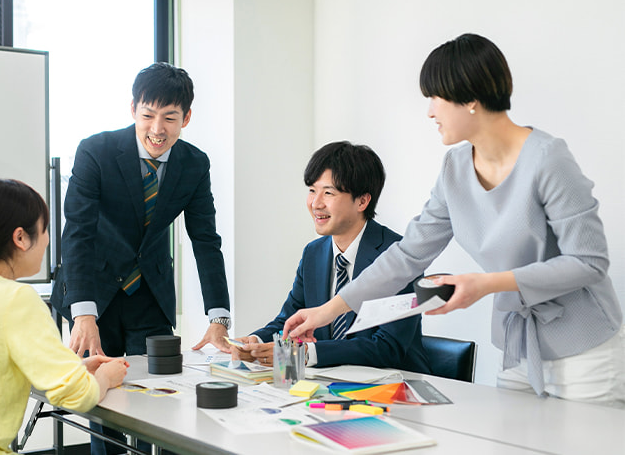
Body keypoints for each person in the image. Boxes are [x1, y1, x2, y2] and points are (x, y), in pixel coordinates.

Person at [284, 33, 625, 407]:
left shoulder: (547, 159)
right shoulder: (455, 169)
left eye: (435, 98)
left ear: (470, 99)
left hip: (584, 349)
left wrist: (484, 284)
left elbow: (589, 262)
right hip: (518, 347)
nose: (430, 111)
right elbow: (407, 255)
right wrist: (327, 311)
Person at [50, 62, 231, 454]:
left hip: (150, 293)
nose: (157, 129)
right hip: (94, 293)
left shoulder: (194, 164)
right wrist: (84, 313)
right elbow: (77, 233)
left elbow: (205, 240)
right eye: (148, 115)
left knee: (164, 399)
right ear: (133, 108)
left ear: (187, 117)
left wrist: (219, 318)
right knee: (107, 407)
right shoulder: (96, 151)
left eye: (170, 118)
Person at [0, 178, 128, 455]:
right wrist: (105, 376)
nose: (47, 240)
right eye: (45, 230)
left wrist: (76, 369)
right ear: (21, 238)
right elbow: (78, 395)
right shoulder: (15, 299)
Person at [230, 141, 430, 374]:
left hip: (397, 391)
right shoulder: (313, 253)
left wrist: (308, 354)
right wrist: (254, 341)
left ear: (362, 201)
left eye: (328, 192)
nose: (316, 203)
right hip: (328, 386)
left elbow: (387, 348)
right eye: (312, 191)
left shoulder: (399, 258)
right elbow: (289, 319)